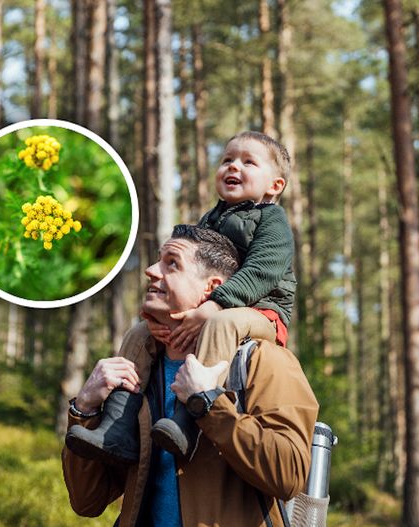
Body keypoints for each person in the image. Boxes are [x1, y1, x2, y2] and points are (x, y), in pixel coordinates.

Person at [62, 225, 318, 527]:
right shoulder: (140, 367)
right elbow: (87, 501)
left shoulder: (264, 361)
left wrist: (210, 404)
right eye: (158, 260)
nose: (150, 271)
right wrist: (85, 409)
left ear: (212, 288)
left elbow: (288, 475)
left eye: (172, 263)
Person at [66, 131, 297, 463]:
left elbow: (264, 269)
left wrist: (215, 303)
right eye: (227, 160)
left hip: (263, 311)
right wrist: (163, 322)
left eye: (248, 162)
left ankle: (188, 421)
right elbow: (193, 278)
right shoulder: (211, 220)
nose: (234, 166)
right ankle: (117, 426)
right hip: (218, 306)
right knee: (139, 333)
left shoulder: (271, 220)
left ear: (275, 186)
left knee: (221, 322)